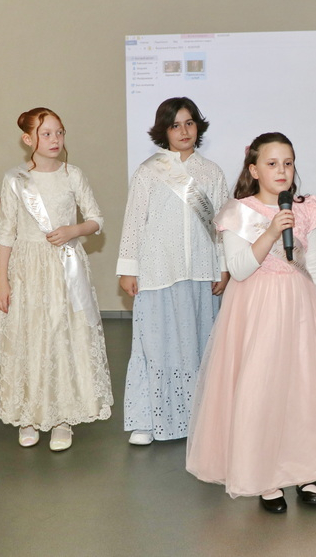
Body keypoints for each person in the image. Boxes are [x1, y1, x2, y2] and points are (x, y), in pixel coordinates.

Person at [186, 132, 316, 514]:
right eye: (272, 164)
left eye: (288, 163)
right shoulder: (238, 212)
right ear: (254, 169)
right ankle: (266, 477)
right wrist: (272, 231)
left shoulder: (305, 208)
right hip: (257, 311)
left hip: (301, 310)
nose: (282, 171)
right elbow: (240, 269)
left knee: (303, 389)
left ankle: (306, 470)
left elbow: (315, 265)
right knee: (263, 390)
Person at [0, 108, 113, 452]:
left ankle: (61, 417)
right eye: (46, 134)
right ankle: (28, 415)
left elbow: (96, 218)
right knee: (28, 336)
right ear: (28, 139)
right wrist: (2, 281)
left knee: (60, 335)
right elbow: (6, 233)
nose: (55, 139)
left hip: (64, 268)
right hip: (26, 269)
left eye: (59, 132)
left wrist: (75, 229)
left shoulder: (73, 175)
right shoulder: (15, 179)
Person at [117, 97, 229, 446]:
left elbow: (221, 227)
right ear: (164, 131)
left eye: (189, 123)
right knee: (154, 344)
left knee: (198, 343)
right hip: (157, 270)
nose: (184, 131)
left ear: (198, 126)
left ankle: (199, 417)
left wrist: (223, 266)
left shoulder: (212, 172)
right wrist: (128, 268)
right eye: (175, 125)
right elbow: (134, 221)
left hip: (200, 271)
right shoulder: (149, 170)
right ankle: (147, 419)